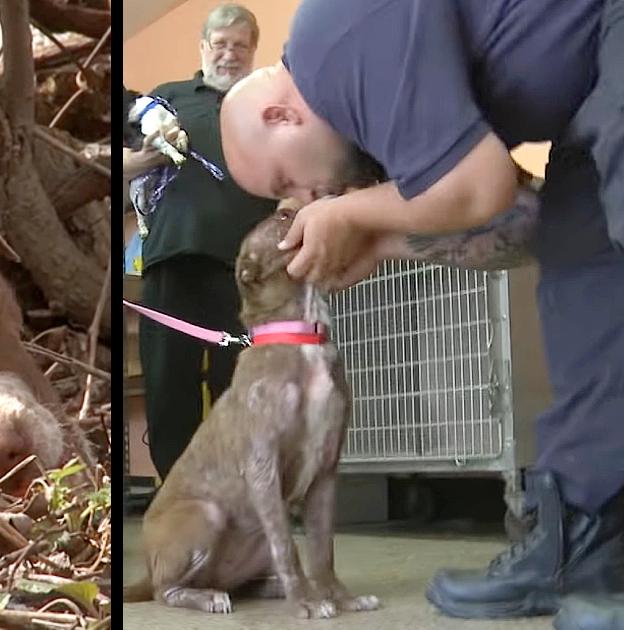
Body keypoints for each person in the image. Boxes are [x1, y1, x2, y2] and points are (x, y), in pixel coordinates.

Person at [216, 0, 624, 627]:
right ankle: (580, 550)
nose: (302, 200)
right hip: (591, 84)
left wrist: (351, 216)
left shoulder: (335, 43)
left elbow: (479, 188)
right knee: (579, 262)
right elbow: (519, 223)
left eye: (283, 185)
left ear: (282, 115)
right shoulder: (371, 129)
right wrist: (381, 242)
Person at [122, 4, 277, 481]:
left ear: (253, 52)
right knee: (170, 384)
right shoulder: (165, 98)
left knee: (243, 384)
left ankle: (240, 492)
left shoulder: (264, 103)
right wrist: (145, 160)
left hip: (248, 270)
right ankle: (179, 492)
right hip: (175, 258)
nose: (229, 55)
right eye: (221, 44)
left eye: (240, 46)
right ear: (204, 48)